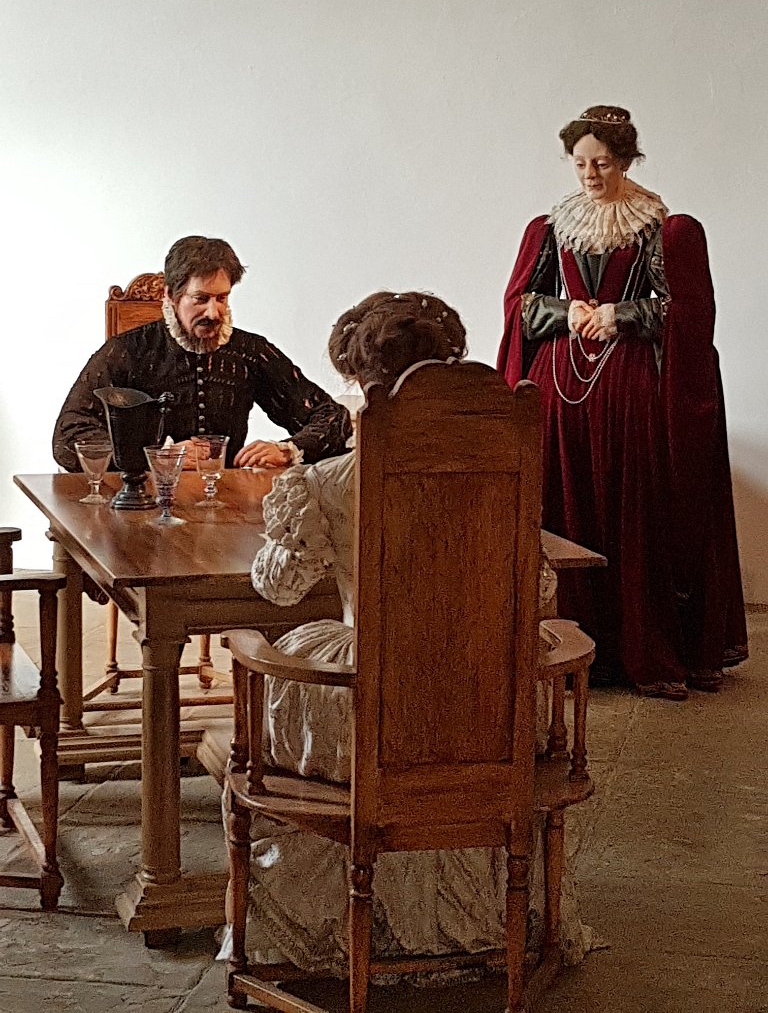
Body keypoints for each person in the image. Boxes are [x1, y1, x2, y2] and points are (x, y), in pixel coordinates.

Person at [219, 291, 593, 974]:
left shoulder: (326, 483)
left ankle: (348, 929)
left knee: (284, 697)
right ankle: (471, 925)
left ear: (365, 391)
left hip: (376, 708)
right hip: (482, 705)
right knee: (466, 700)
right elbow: (540, 593)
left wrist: (290, 540)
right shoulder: (499, 470)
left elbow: (279, 588)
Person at [497, 105, 748, 700]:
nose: (589, 174)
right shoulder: (549, 228)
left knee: (635, 513)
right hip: (561, 394)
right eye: (580, 163)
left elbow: (689, 312)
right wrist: (567, 312)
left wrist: (622, 315)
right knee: (568, 511)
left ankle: (644, 649)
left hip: (634, 398)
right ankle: (575, 646)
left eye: (602, 163)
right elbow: (520, 305)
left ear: (627, 160)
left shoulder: (663, 228)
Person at [52, 235, 351, 472]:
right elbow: (68, 436)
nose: (213, 312)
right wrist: (159, 456)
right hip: (140, 506)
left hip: (228, 506)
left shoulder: (250, 352)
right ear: (171, 295)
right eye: (201, 298)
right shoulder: (127, 351)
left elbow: (332, 419)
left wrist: (286, 450)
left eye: (222, 298)